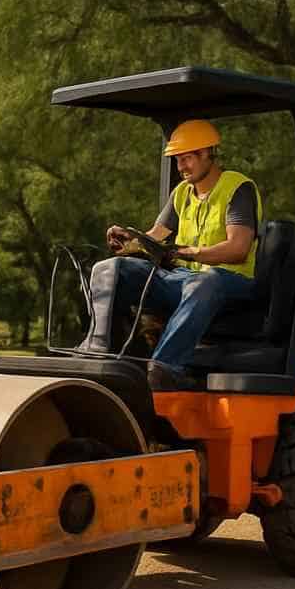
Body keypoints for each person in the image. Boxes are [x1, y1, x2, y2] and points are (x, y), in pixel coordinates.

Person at [79, 119, 261, 391]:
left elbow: (238, 249)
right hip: (184, 280)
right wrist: (130, 240)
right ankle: (101, 350)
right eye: (177, 160)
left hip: (231, 282)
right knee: (111, 269)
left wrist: (187, 253)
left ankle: (165, 369)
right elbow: (154, 237)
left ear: (208, 153)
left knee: (204, 281)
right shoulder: (182, 194)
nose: (181, 167)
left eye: (187, 159)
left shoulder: (237, 188)